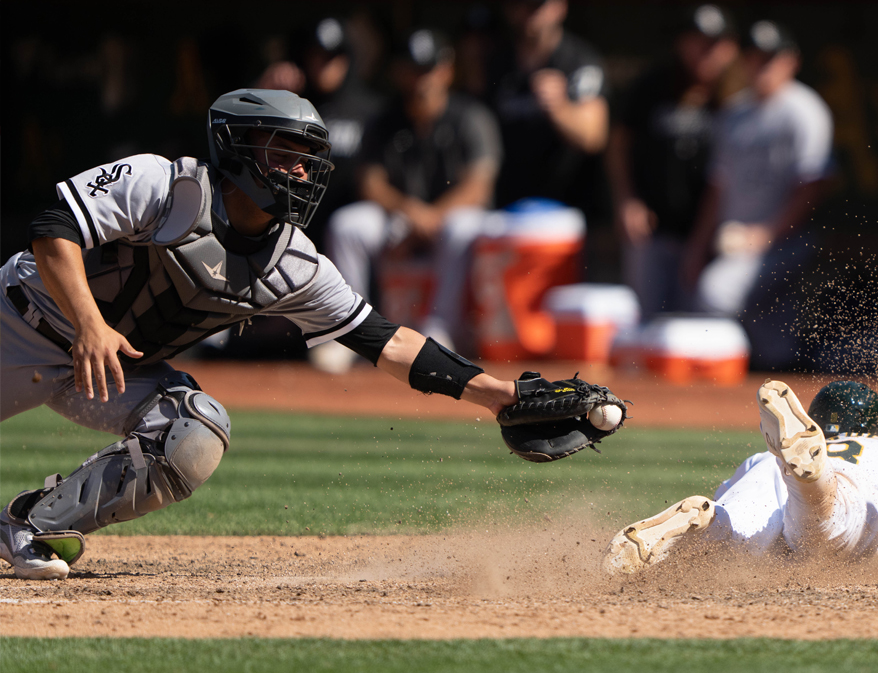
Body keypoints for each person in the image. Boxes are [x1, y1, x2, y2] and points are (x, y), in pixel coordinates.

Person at [0, 89, 521, 580]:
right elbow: (52, 225)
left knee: (194, 430)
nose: (300, 171)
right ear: (237, 147)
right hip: (20, 324)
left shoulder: (293, 262)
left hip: (105, 372)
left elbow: (387, 341)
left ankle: (31, 523)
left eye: (308, 160)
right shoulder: (166, 184)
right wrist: (89, 323)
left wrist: (500, 396)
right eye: (285, 154)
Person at [604, 380, 878, 573]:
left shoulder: (758, 458)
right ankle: (812, 478)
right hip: (843, 487)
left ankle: (709, 525)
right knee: (824, 528)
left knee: (736, 533)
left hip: (772, 466)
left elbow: (729, 495)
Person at [318, 29, 502, 365]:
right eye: (413, 69)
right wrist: (410, 212)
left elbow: (479, 187)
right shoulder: (385, 120)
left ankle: (441, 330)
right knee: (349, 225)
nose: (421, 79)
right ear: (399, 72)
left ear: (446, 70)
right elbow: (370, 184)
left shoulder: (470, 116)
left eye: (428, 69)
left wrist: (431, 217)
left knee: (461, 227)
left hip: (452, 222)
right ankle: (350, 331)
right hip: (403, 218)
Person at [681, 20, 833, 369]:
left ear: (791, 61)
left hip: (785, 241)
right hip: (737, 243)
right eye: (755, 57)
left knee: (715, 292)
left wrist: (764, 235)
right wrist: (697, 245)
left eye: (770, 58)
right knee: (774, 348)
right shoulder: (734, 113)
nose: (761, 66)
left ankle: (711, 387)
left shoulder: (804, 110)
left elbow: (813, 188)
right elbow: (717, 189)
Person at [607, 4, 740, 317]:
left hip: (713, 238)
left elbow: (723, 179)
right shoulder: (654, 85)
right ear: (681, 43)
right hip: (653, 230)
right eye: (698, 42)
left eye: (715, 44)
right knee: (647, 321)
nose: (705, 52)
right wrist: (627, 200)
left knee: (696, 328)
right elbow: (618, 144)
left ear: (731, 48)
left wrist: (700, 242)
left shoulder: (739, 99)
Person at [257, 17, 385, 251]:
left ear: (346, 59)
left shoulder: (372, 110)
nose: (323, 65)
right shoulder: (289, 103)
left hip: (350, 230)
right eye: (316, 56)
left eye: (331, 57)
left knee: (352, 225)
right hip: (294, 223)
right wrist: (266, 96)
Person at [484, 0, 609, 215]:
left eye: (538, 5)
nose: (530, 13)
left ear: (561, 6)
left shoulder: (579, 61)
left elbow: (593, 137)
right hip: (506, 206)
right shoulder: (498, 63)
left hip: (566, 208)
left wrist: (560, 108)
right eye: (522, 4)